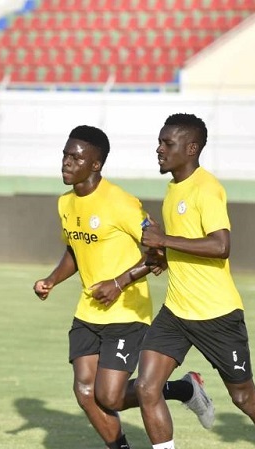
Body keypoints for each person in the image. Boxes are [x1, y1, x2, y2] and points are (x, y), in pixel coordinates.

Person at [32, 125, 215, 449]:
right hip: (88, 311)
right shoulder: (65, 203)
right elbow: (75, 249)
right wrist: (52, 280)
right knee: (85, 393)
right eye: (65, 155)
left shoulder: (121, 203)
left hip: (126, 314)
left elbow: (160, 253)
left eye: (76, 158)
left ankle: (185, 389)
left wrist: (119, 283)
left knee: (110, 396)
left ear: (95, 165)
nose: (66, 163)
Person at [136, 113, 255, 449]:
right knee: (147, 387)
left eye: (167, 143)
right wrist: (163, 256)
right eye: (159, 141)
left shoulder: (207, 188)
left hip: (217, 316)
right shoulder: (173, 187)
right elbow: (182, 241)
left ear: (191, 148)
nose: (159, 149)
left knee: (245, 398)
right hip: (176, 312)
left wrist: (165, 242)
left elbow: (221, 245)